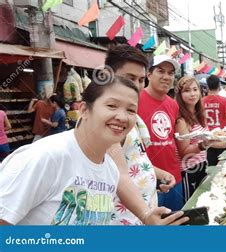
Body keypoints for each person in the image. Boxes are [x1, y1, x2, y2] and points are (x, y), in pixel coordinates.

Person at [0, 76, 184, 225]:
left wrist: (147, 218)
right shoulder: (45, 158)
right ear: (84, 110)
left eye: (131, 110)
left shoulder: (110, 171)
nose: (122, 117)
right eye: (111, 106)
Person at [104, 45, 179, 225]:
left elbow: (134, 159)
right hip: (122, 218)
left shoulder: (130, 114)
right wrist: (145, 214)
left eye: (140, 79)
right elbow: (119, 174)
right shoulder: (107, 116)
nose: (136, 86)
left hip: (141, 214)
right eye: (129, 78)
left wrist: (161, 173)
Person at [174, 76, 226, 202]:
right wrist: (203, 145)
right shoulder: (181, 120)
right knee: (192, 206)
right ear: (180, 94)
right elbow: (184, 151)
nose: (192, 94)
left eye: (195, 89)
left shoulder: (199, 115)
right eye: (187, 90)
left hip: (202, 165)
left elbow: (209, 141)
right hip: (189, 171)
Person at [138, 55, 184, 211]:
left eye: (170, 73)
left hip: (174, 179)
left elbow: (171, 139)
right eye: (161, 71)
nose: (166, 77)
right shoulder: (134, 100)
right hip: (146, 181)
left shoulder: (173, 105)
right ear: (148, 74)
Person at [203, 75, 226, 166]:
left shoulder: (201, 101)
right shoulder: (224, 101)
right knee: (223, 163)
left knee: (211, 164)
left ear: (207, 86)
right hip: (222, 137)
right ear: (219, 85)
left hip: (208, 138)